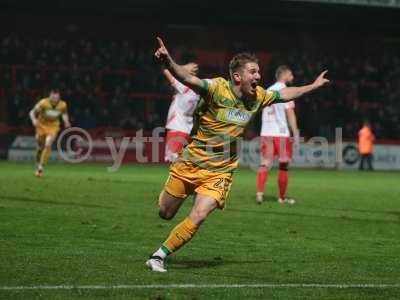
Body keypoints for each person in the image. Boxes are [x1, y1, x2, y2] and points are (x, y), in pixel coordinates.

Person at [147, 37, 329, 272]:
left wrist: (312, 86)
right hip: (190, 163)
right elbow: (188, 78)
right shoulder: (216, 89)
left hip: (220, 171)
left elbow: (286, 95)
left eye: (259, 72)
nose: (258, 76)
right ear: (237, 76)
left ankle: (158, 256)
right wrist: (169, 61)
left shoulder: (259, 97)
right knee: (165, 212)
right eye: (253, 72)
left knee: (200, 214)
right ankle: (169, 202)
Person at [256, 65, 299, 204]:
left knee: (264, 164)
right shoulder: (286, 91)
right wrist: (296, 131)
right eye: (291, 74)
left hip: (266, 132)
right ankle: (281, 197)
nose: (292, 77)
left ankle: (259, 193)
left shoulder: (267, 90)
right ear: (284, 75)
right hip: (281, 133)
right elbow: (290, 113)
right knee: (283, 165)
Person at [162, 63, 200, 162]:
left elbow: (165, 70)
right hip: (187, 128)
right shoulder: (197, 92)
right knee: (180, 159)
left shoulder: (184, 88)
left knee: (173, 159)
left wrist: (183, 68)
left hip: (177, 127)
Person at [29, 88, 71, 177]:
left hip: (53, 126)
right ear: (50, 96)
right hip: (41, 125)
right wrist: (33, 120)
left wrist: (66, 121)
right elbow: (32, 112)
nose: (55, 100)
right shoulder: (43, 103)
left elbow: (64, 114)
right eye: (53, 97)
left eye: (57, 98)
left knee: (48, 144)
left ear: (59, 97)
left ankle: (40, 168)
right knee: (40, 147)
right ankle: (38, 163)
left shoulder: (63, 104)